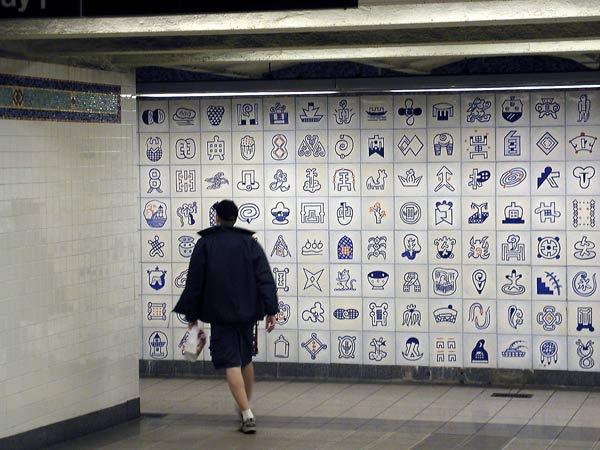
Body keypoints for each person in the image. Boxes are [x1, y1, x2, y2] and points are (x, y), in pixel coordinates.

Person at [173, 199, 278, 434]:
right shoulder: (249, 244)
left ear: (217, 218)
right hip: (248, 313)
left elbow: (195, 282)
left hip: (220, 315)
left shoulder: (206, 244)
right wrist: (271, 309)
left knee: (231, 362)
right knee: (246, 359)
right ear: (236, 218)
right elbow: (265, 277)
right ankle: (244, 408)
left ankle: (247, 414)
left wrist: (192, 315)